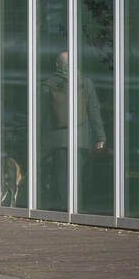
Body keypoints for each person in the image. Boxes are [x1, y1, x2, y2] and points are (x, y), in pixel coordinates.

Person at [39, 51, 106, 208]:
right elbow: (94, 111)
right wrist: (100, 138)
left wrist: (39, 138)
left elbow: (41, 115)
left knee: (62, 176)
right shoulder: (85, 83)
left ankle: (66, 208)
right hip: (80, 139)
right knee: (78, 176)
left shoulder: (48, 84)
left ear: (57, 65)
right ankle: (77, 207)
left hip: (57, 140)